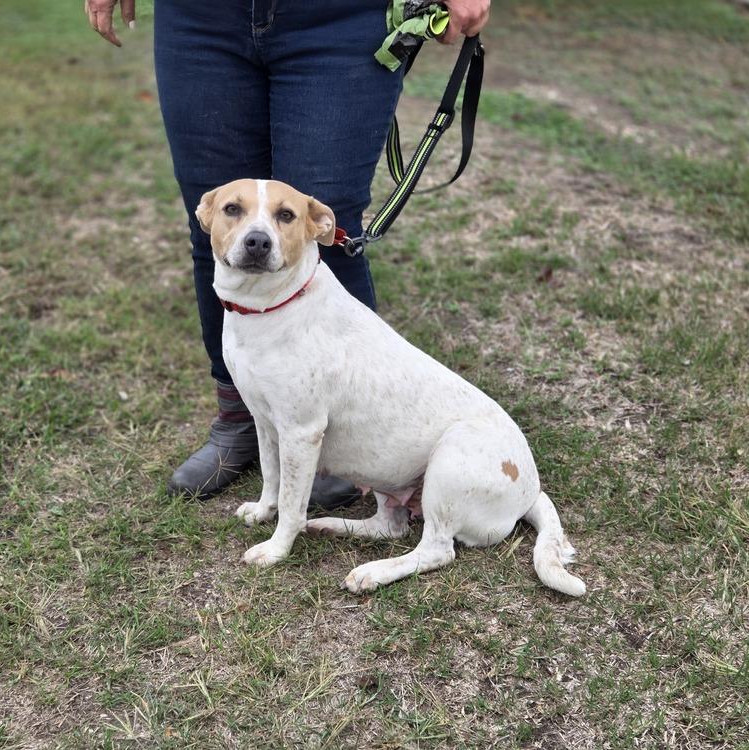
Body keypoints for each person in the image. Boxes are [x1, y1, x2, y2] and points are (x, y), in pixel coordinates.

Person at [85, 0, 491, 507]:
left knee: (326, 230)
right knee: (220, 232)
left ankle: (344, 432)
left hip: (340, 19)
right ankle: (238, 417)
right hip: (201, 18)